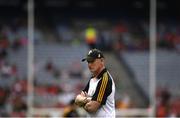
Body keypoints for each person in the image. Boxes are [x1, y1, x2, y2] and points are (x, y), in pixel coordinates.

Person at [75, 49, 116, 117]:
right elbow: (77, 100)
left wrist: (82, 102)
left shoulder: (105, 80)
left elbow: (92, 108)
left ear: (102, 60)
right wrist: (89, 99)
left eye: (92, 61)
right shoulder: (93, 78)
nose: (89, 64)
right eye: (88, 61)